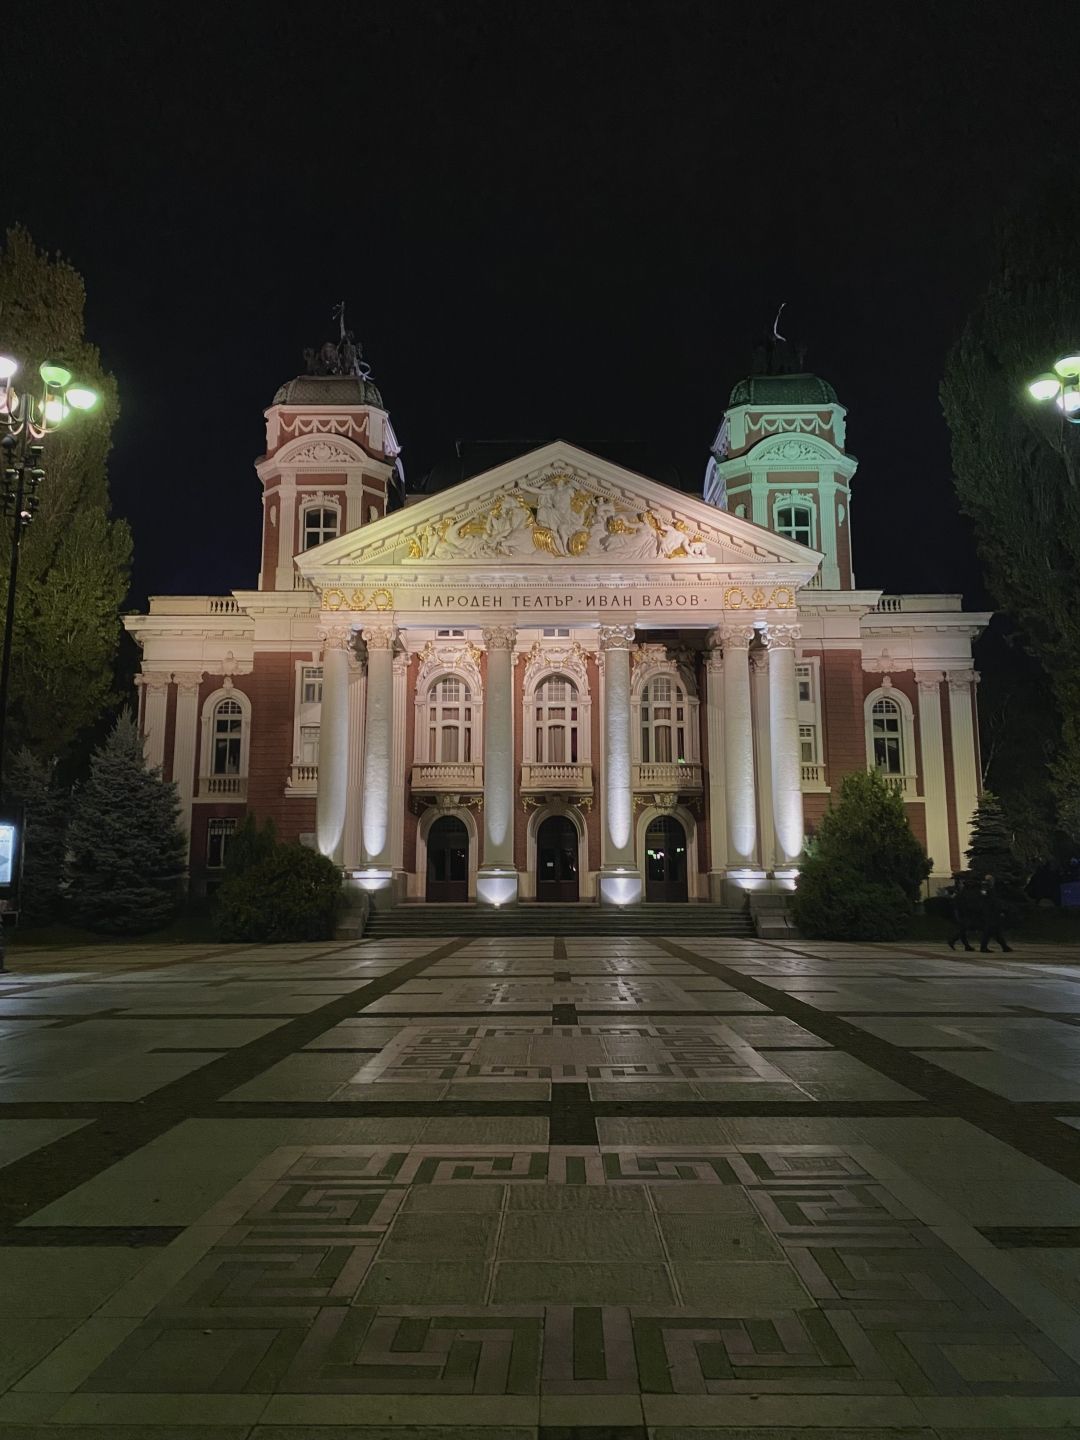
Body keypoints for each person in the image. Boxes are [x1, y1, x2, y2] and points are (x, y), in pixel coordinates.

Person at [977, 873, 1013, 953]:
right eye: (991, 880)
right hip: (991, 913)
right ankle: (985, 947)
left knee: (995, 931)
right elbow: (991, 901)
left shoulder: (989, 889)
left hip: (992, 913)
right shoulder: (987, 888)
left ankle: (1004, 947)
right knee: (990, 931)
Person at [945, 874, 976, 951]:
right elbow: (957, 905)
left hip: (962, 914)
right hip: (962, 914)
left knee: (963, 930)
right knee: (963, 929)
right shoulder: (960, 894)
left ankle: (966, 946)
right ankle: (952, 941)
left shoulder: (961, 893)